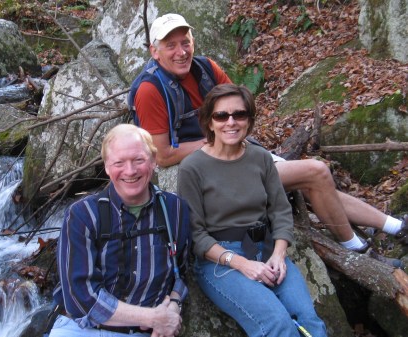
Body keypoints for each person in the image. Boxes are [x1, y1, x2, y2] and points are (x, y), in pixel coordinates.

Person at [128, 13, 407, 265]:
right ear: (155, 51)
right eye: (170, 45)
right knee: (316, 171)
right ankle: (359, 252)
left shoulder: (206, 69)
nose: (181, 51)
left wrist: (231, 138)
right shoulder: (151, 90)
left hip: (233, 153)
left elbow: (241, 108)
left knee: (316, 181)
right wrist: (216, 142)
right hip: (204, 171)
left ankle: (396, 227)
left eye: (185, 42)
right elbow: (162, 155)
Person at [177, 83, 327, 337]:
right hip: (221, 260)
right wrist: (242, 264)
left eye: (240, 114)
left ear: (249, 120)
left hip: (267, 249)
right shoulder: (192, 168)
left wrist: (279, 255)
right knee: (277, 324)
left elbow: (280, 211)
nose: (231, 122)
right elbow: (196, 235)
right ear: (209, 123)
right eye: (221, 115)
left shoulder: (261, 158)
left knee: (309, 321)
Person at [48, 124, 191, 337]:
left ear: (153, 161)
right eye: (119, 163)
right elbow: (79, 298)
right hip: (82, 329)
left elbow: (182, 271)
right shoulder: (82, 214)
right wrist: (152, 318)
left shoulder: (175, 209)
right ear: (107, 167)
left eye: (139, 160)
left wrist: (174, 305)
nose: (130, 171)